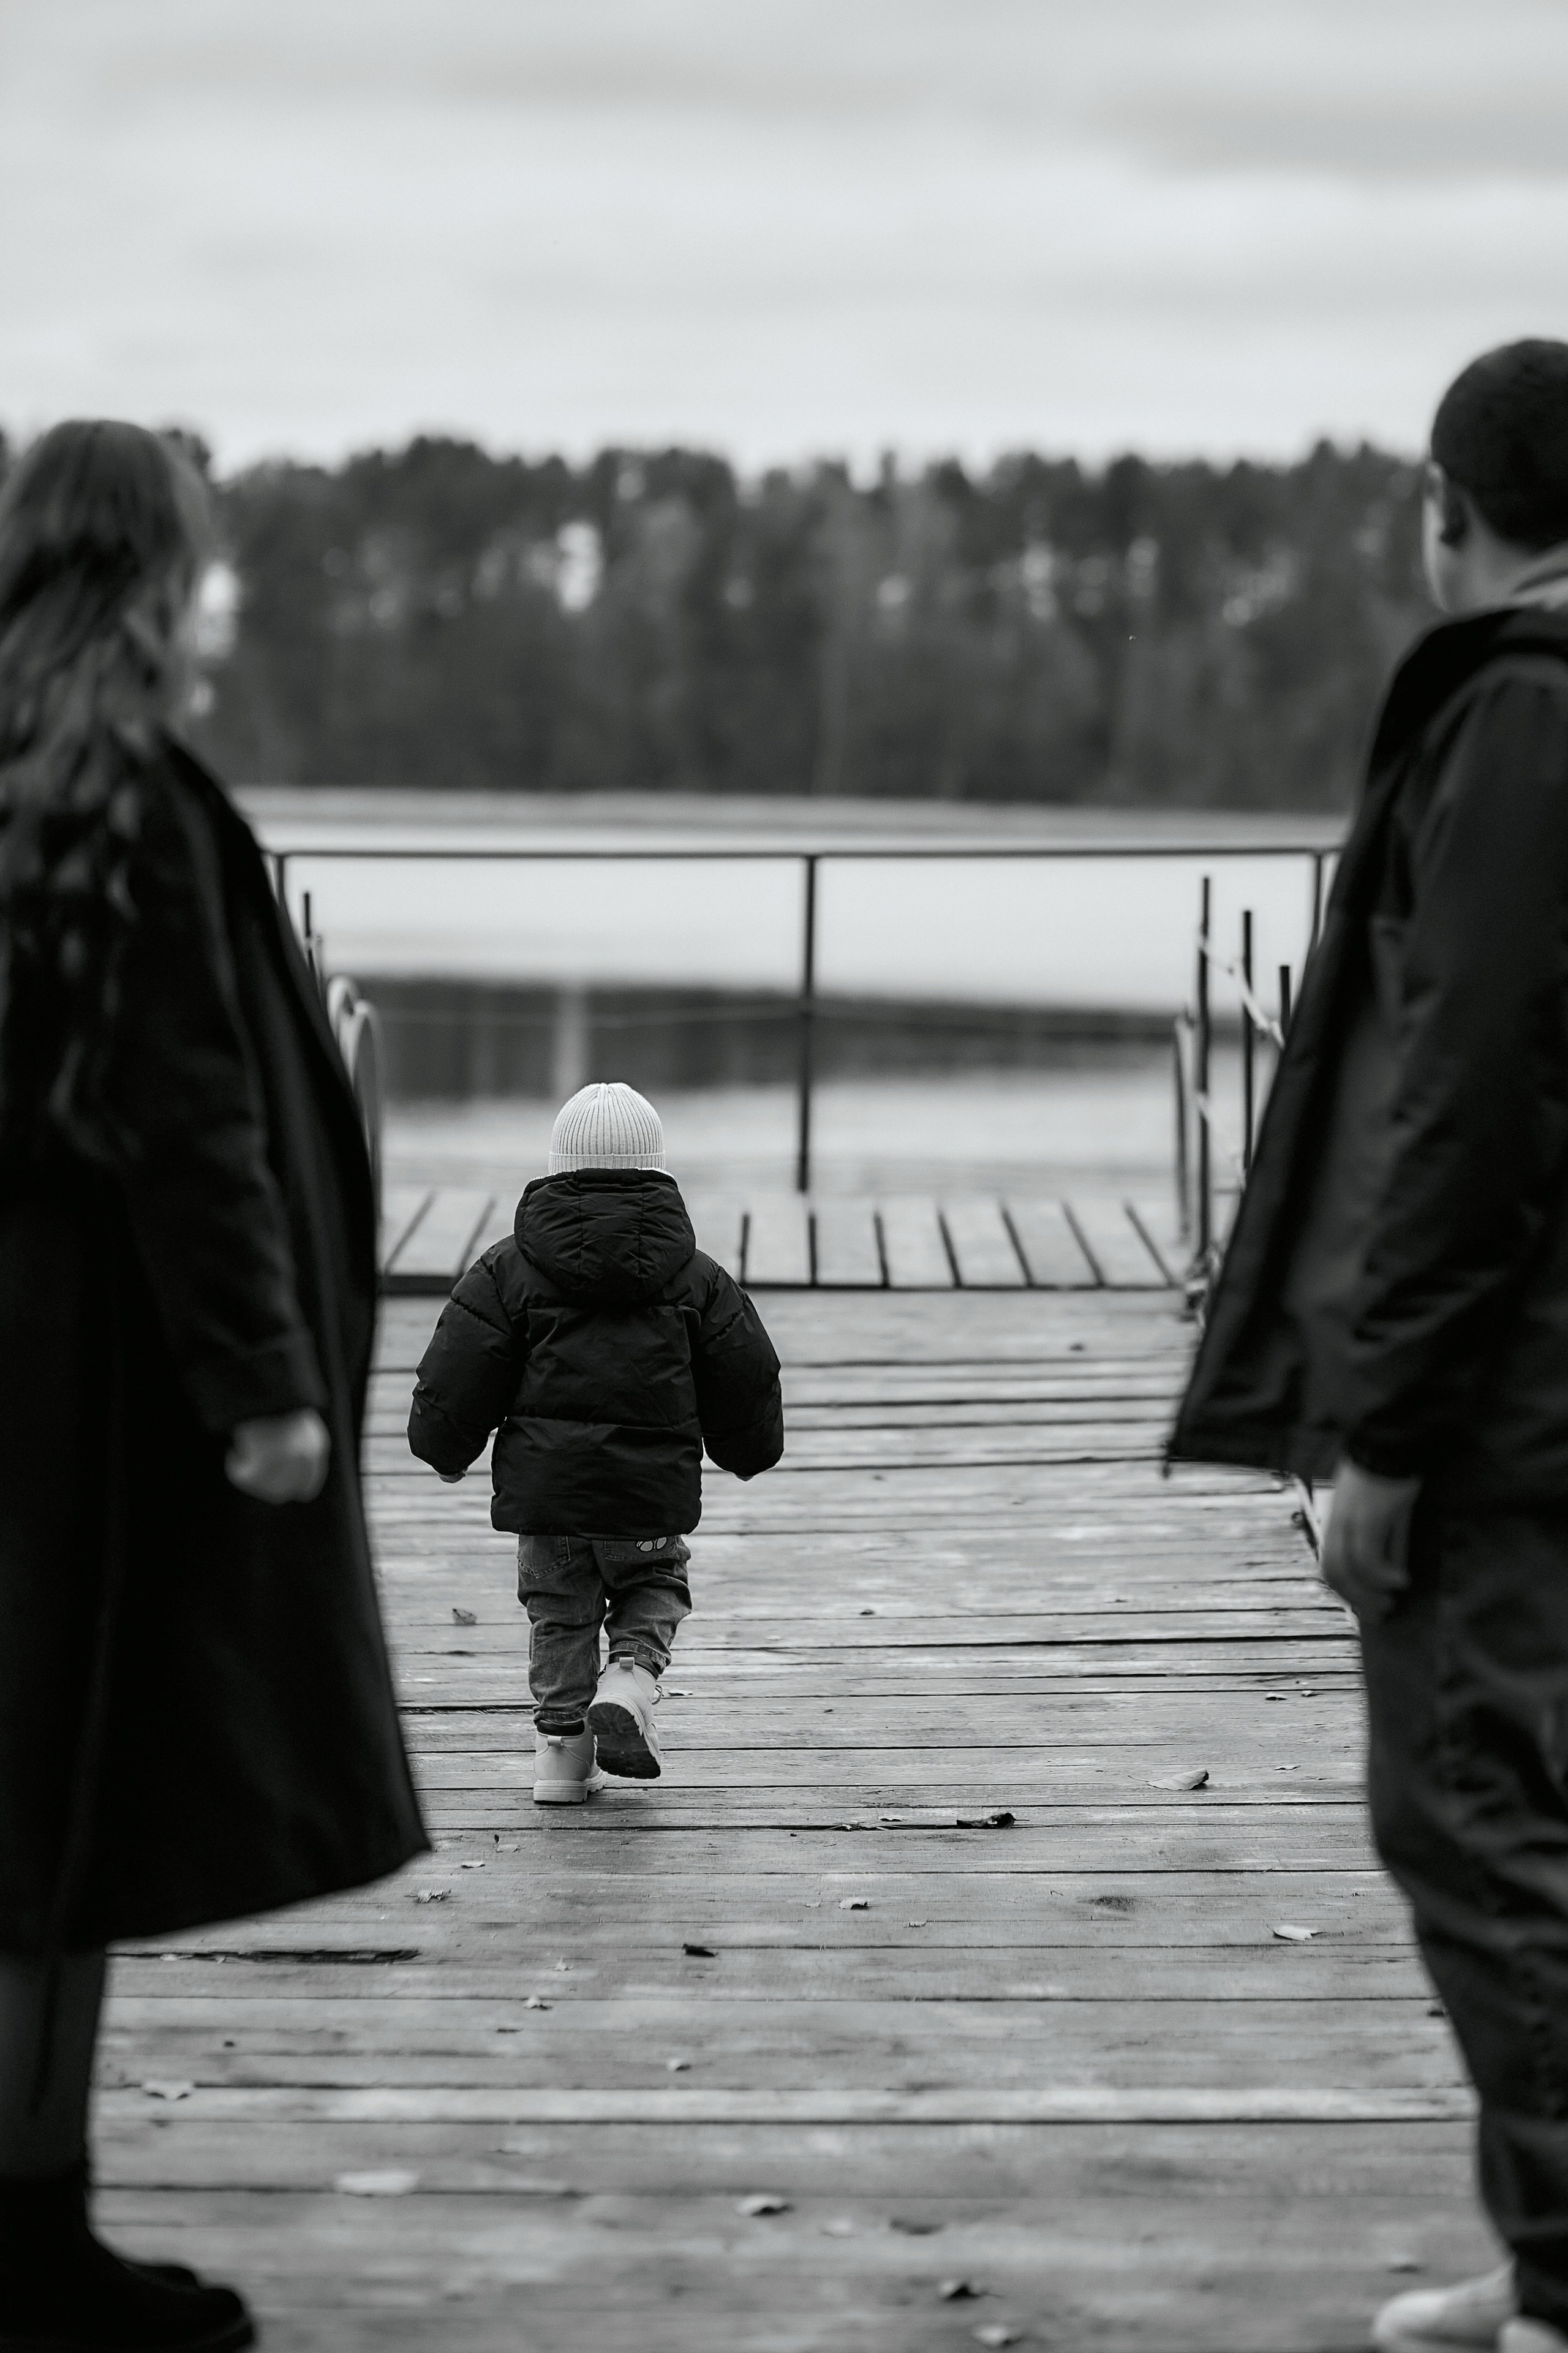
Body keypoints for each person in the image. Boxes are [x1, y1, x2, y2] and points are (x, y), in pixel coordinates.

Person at [0, 422, 427, 2352]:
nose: (229, 593)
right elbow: (197, 1129)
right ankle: (25, 2238)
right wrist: (268, 1389)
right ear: (154, 582)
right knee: (44, 1835)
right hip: (81, 1412)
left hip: (42, 1391)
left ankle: (37, 2220)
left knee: (38, 1839)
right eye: (214, 559)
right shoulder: (129, 803)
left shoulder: (48, 789)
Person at [1169, 341, 1568, 2353]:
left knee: (1470, 1810)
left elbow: (1469, 1096)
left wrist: (1386, 1438)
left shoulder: (1521, 716)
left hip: (1513, 1405)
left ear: (1452, 507)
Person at [407, 1079, 784, 1802]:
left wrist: (445, 1449)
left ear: (555, 1170)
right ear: (658, 1173)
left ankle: (560, 1757)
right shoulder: (698, 1279)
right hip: (647, 1500)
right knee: (655, 1583)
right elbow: (746, 1376)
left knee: (559, 1613)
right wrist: (747, 1449)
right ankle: (631, 1676)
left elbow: (457, 1371)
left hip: (545, 1503)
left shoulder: (505, 1271)